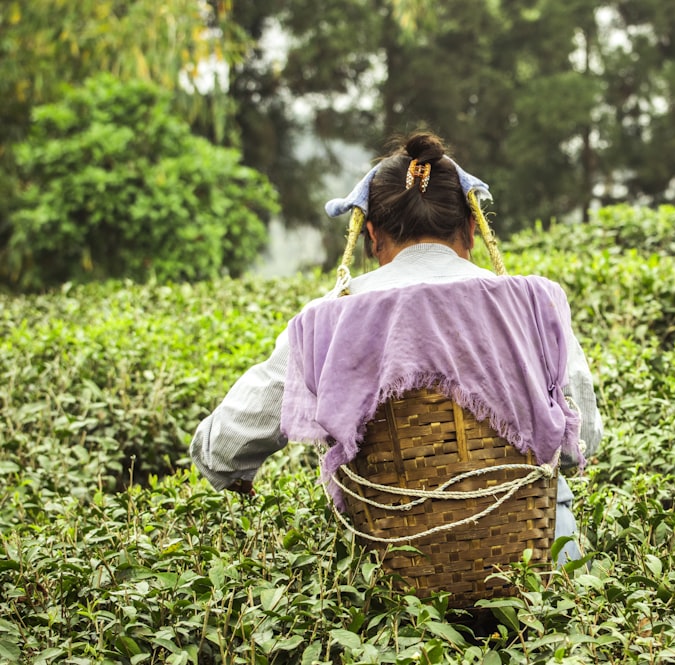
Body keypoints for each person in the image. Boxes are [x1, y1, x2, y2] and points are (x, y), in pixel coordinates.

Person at [189, 132, 602, 560]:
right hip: (538, 565)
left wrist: (232, 473)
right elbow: (583, 439)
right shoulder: (535, 303)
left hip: (393, 576)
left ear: (371, 236)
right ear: (471, 229)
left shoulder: (328, 319)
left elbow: (224, 448)